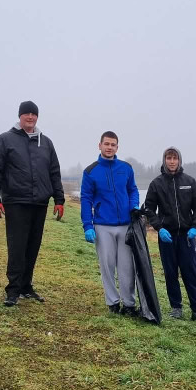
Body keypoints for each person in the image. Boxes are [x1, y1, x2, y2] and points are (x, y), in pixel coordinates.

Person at [0, 100, 65, 306]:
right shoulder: (5, 140)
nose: (30, 117)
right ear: (20, 116)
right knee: (17, 247)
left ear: (37, 117)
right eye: (26, 114)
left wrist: (59, 199)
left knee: (32, 247)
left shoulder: (46, 143)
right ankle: (13, 290)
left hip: (40, 203)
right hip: (16, 202)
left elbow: (54, 172)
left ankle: (26, 286)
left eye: (33, 114)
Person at [143, 146, 196, 320]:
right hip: (167, 237)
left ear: (179, 160)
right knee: (170, 273)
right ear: (164, 160)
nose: (172, 161)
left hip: (187, 237)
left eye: (175, 158)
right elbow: (149, 209)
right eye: (169, 158)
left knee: (191, 272)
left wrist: (195, 226)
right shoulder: (156, 184)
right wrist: (159, 228)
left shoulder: (189, 181)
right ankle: (176, 308)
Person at [80, 132, 140, 315]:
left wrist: (134, 206)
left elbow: (133, 190)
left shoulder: (126, 168)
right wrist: (88, 225)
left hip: (125, 225)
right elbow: (86, 199)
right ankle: (113, 302)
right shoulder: (90, 171)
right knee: (107, 265)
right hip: (103, 225)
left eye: (113, 145)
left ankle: (129, 304)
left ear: (117, 147)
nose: (109, 147)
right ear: (100, 145)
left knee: (127, 267)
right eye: (106, 144)